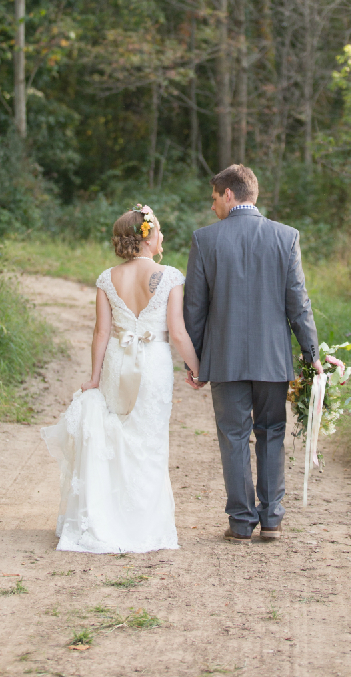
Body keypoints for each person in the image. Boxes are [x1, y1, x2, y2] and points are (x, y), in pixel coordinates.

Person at [41, 204, 201, 554]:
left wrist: (95, 376)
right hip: (154, 365)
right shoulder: (170, 276)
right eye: (158, 231)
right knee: (150, 440)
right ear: (148, 238)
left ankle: (107, 520)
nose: (162, 237)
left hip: (116, 361)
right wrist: (197, 368)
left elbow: (101, 332)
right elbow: (177, 332)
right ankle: (141, 525)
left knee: (118, 437)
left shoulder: (106, 277)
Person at [183, 164, 320, 543]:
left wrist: (193, 360)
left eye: (214, 198)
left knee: (233, 435)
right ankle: (272, 518)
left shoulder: (205, 240)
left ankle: (242, 522)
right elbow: (299, 304)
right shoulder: (285, 237)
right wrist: (312, 354)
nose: (212, 208)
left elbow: (195, 308)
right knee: (272, 432)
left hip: (224, 358)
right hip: (271, 359)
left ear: (229, 194)